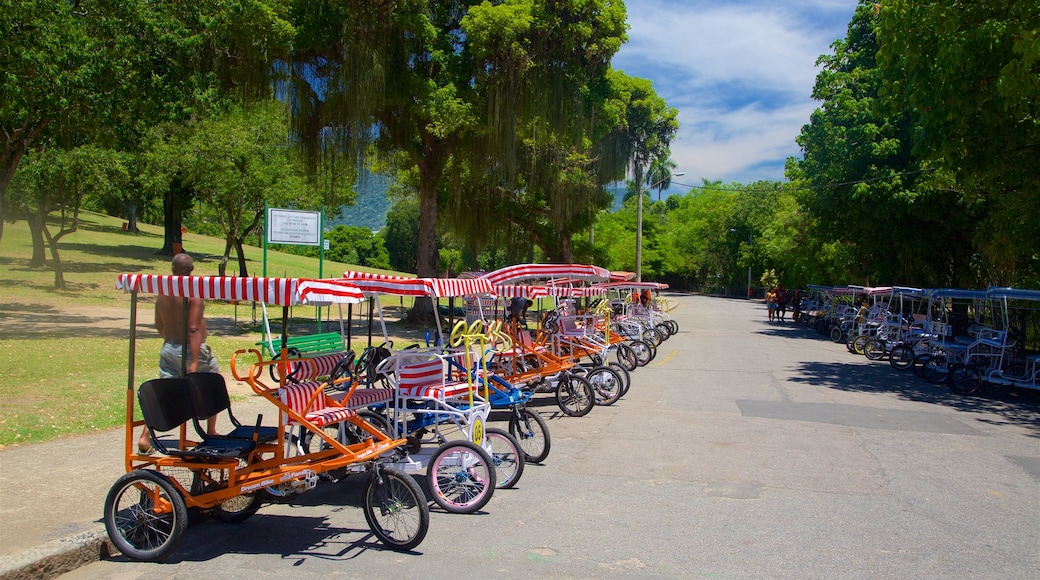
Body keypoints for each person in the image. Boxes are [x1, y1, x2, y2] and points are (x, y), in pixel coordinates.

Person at [138, 253, 220, 453]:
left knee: (165, 392)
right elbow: (193, 328)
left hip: (169, 345)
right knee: (213, 384)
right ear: (191, 270)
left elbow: (159, 324)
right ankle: (211, 431)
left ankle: (145, 437)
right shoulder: (193, 293)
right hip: (192, 349)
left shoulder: (163, 294)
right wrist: (192, 363)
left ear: (173, 269)